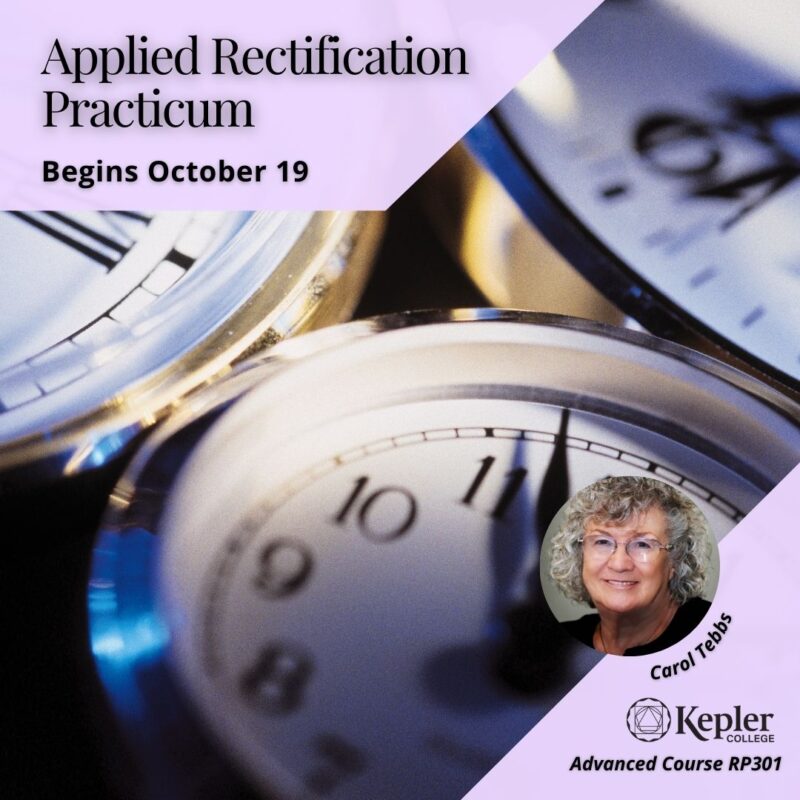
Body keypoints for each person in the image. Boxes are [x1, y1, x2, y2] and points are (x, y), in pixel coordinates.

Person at [549, 476, 712, 655]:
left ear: (675, 559)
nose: (619, 564)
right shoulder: (556, 647)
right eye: (602, 542)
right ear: (580, 555)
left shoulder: (713, 633)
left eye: (643, 544)